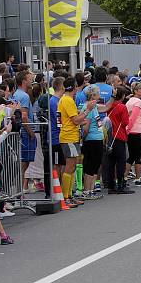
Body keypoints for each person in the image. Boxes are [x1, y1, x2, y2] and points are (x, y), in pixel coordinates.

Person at [58, 77, 95, 207]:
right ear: (73, 87)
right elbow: (75, 120)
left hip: (72, 135)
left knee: (72, 166)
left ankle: (69, 195)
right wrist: (88, 110)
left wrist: (81, 118)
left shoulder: (68, 99)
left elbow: (75, 119)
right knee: (70, 166)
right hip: (68, 137)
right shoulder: (67, 100)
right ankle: (66, 197)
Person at [12, 71, 37, 195]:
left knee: (23, 163)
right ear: (23, 81)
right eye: (29, 79)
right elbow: (24, 116)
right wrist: (31, 133)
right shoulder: (24, 96)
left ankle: (19, 189)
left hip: (21, 132)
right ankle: (19, 190)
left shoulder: (17, 94)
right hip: (25, 133)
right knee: (24, 163)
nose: (32, 81)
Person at [78, 85, 104, 200]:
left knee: (95, 164)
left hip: (96, 138)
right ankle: (87, 190)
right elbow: (86, 126)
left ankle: (91, 189)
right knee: (91, 165)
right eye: (98, 93)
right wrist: (83, 139)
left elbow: (106, 107)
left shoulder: (94, 107)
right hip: (92, 140)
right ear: (93, 95)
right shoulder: (87, 106)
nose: (100, 95)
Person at [107, 86, 134, 194]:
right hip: (119, 135)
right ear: (122, 96)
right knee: (121, 161)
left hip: (110, 136)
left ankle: (111, 185)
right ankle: (121, 185)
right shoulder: (122, 107)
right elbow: (125, 122)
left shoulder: (109, 106)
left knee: (111, 162)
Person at [128, 83, 141, 186]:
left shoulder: (129, 101)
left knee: (131, 156)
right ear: (135, 91)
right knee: (138, 156)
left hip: (131, 132)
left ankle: (124, 177)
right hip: (137, 131)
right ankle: (137, 178)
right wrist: (128, 128)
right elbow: (133, 116)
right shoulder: (138, 101)